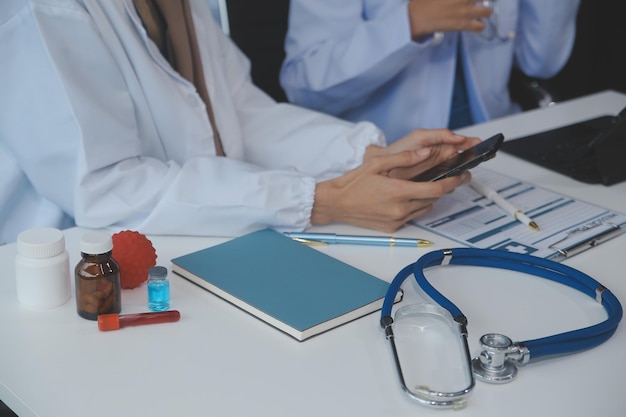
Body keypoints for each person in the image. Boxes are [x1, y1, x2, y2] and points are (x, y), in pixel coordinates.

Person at [0, 0, 478, 245]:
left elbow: (241, 116)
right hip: (68, 269)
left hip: (188, 241)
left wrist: (370, 157)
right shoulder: (41, 9)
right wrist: (321, 201)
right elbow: (106, 190)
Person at [280, 0, 580, 143]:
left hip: (497, 146)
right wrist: (409, 25)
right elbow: (303, 86)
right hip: (388, 159)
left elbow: (541, 63)